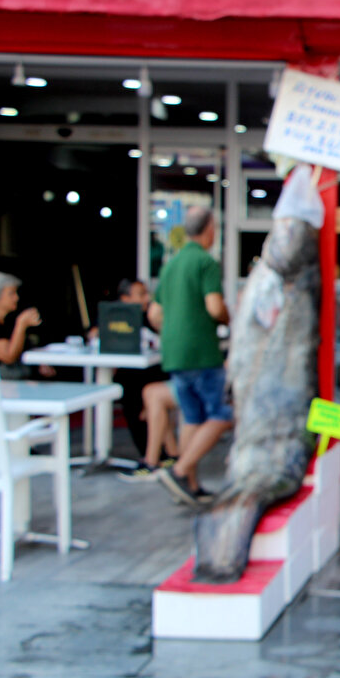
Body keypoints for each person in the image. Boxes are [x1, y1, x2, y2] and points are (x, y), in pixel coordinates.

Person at [149, 206, 232, 505]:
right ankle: (181, 471)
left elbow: (155, 313)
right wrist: (228, 319)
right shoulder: (205, 262)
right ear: (210, 229)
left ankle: (190, 487)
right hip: (201, 350)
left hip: (173, 352)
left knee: (192, 418)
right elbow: (214, 307)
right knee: (223, 413)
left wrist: (175, 330)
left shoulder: (171, 264)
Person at [105, 277, 179, 479]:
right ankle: (167, 454)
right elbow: (95, 333)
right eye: (141, 294)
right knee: (131, 383)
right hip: (138, 374)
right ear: (125, 298)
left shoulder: (152, 316)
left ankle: (154, 458)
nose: (147, 298)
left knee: (142, 392)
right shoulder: (113, 317)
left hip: (157, 371)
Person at [0, 271, 42, 369]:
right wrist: (21, 325)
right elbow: (9, 357)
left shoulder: (8, 320)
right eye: (11, 293)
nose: (16, 298)